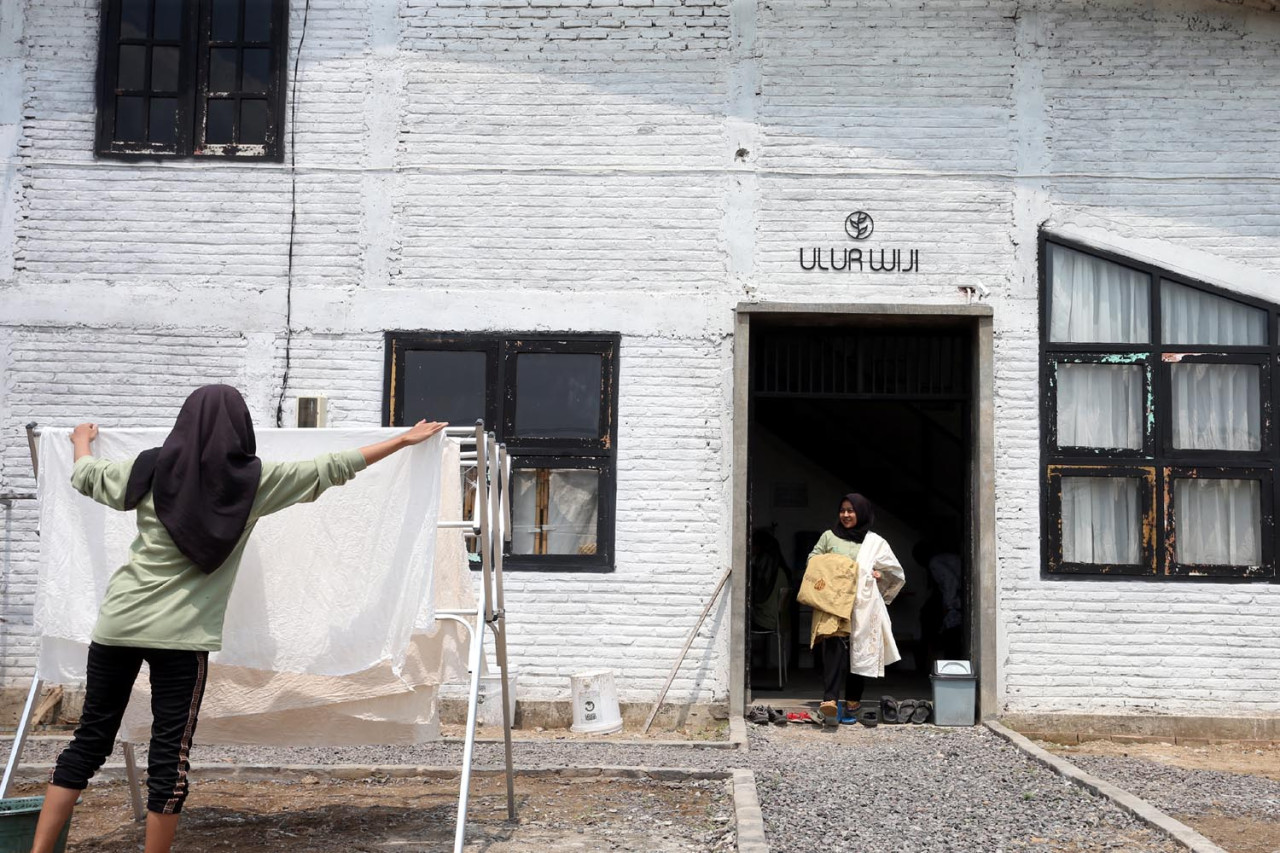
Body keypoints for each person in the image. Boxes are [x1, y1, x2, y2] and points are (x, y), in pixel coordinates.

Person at [29, 385, 447, 853]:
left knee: (89, 741)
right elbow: (330, 468)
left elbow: (86, 476)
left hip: (117, 624)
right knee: (169, 756)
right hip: (181, 640)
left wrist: (80, 440)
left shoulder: (146, 468)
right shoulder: (252, 482)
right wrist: (402, 441)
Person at [807, 493, 905, 724]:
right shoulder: (829, 537)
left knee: (859, 651)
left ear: (861, 513)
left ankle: (853, 701)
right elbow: (813, 559)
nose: (846, 515)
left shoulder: (875, 542)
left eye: (851, 510)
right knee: (833, 648)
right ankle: (829, 700)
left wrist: (879, 576)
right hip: (832, 602)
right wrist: (835, 566)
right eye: (842, 510)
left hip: (862, 605)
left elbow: (894, 573)